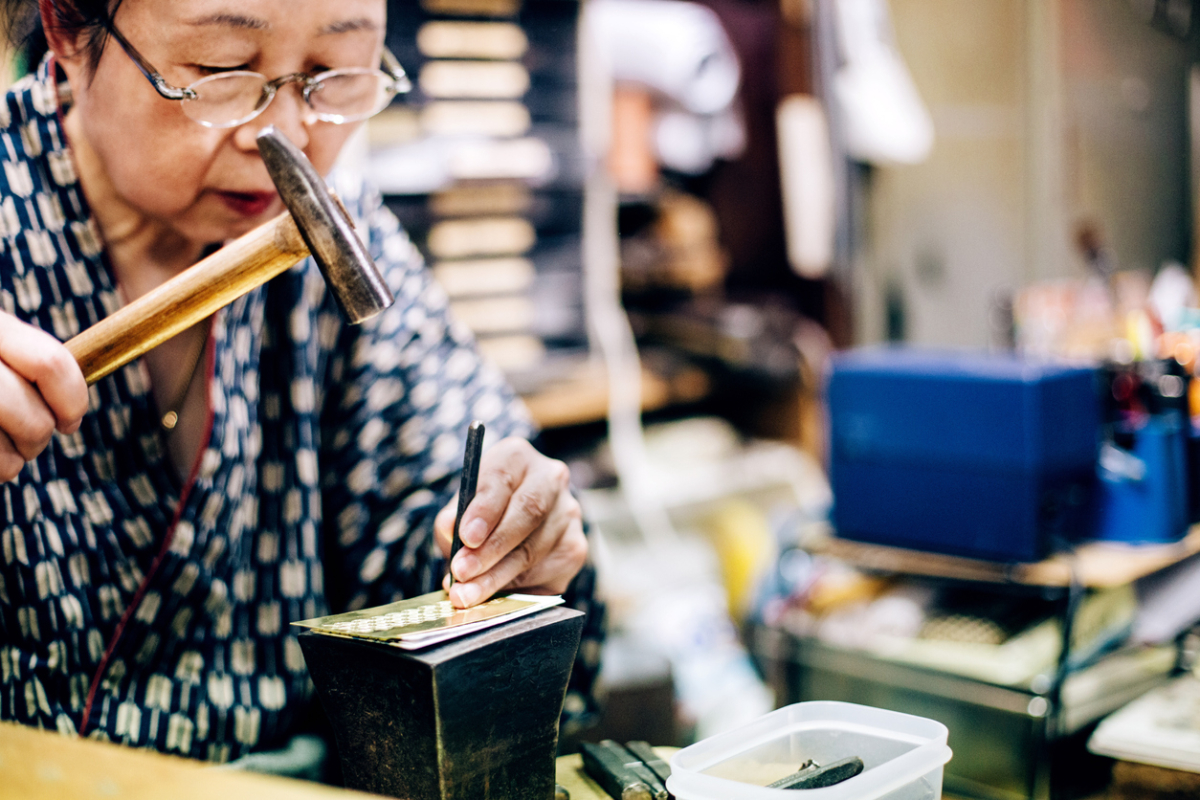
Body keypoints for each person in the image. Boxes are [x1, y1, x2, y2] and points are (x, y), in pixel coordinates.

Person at [0, 0, 603, 762]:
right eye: (221, 70)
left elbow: (432, 508)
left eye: (334, 74)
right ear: (64, 28)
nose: (284, 134)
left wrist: (511, 548)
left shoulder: (340, 230)